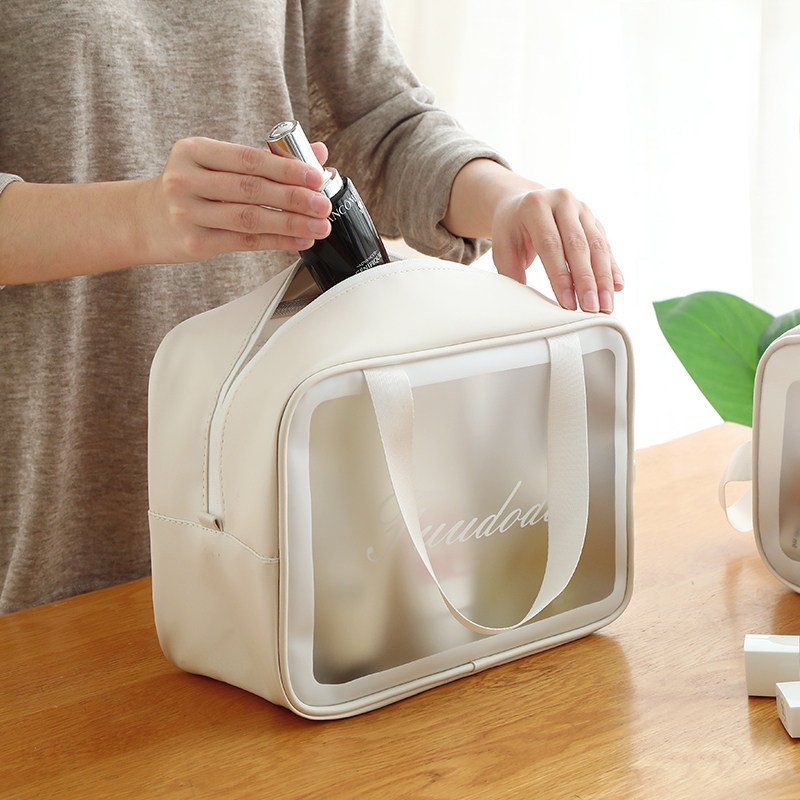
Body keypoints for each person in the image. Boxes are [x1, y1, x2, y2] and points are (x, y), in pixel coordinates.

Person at [0, 0, 623, 614]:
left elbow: (379, 121)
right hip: (62, 502)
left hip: (280, 486)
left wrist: (507, 198)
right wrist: (142, 217)